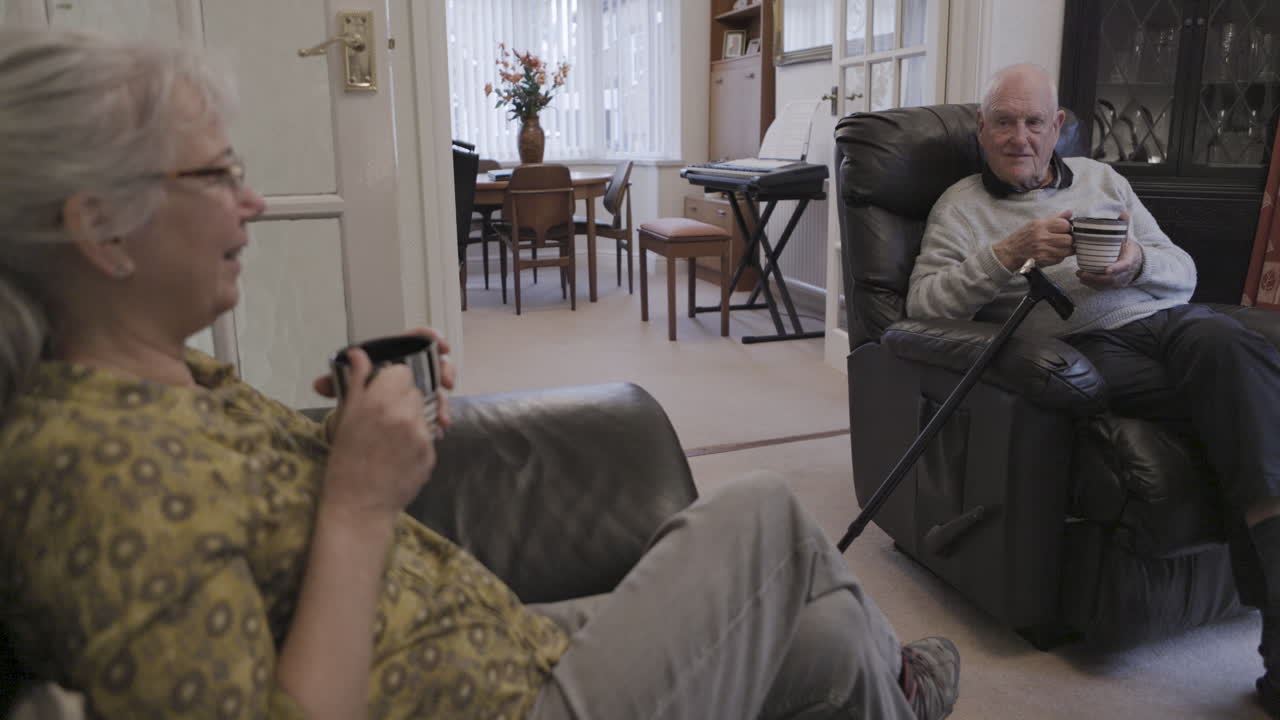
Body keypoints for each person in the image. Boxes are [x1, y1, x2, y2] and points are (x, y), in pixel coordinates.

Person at [0, 29, 960, 720]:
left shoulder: (171, 384)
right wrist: (356, 503)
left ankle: (889, 686)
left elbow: (260, 545)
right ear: (99, 228)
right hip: (504, 697)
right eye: (215, 176)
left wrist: (351, 443)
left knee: (832, 647)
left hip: (491, 647)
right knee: (761, 509)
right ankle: (904, 688)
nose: (252, 201)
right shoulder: (93, 476)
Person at [908, 62, 1280, 716]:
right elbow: (922, 306)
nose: (1019, 137)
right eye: (1003, 122)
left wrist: (1137, 263)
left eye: (1034, 122)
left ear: (1058, 128)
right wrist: (1007, 253)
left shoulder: (1106, 180)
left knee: (1229, 347)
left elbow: (1183, 271)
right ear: (981, 128)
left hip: (1165, 322)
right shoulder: (961, 206)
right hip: (1083, 347)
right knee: (1246, 401)